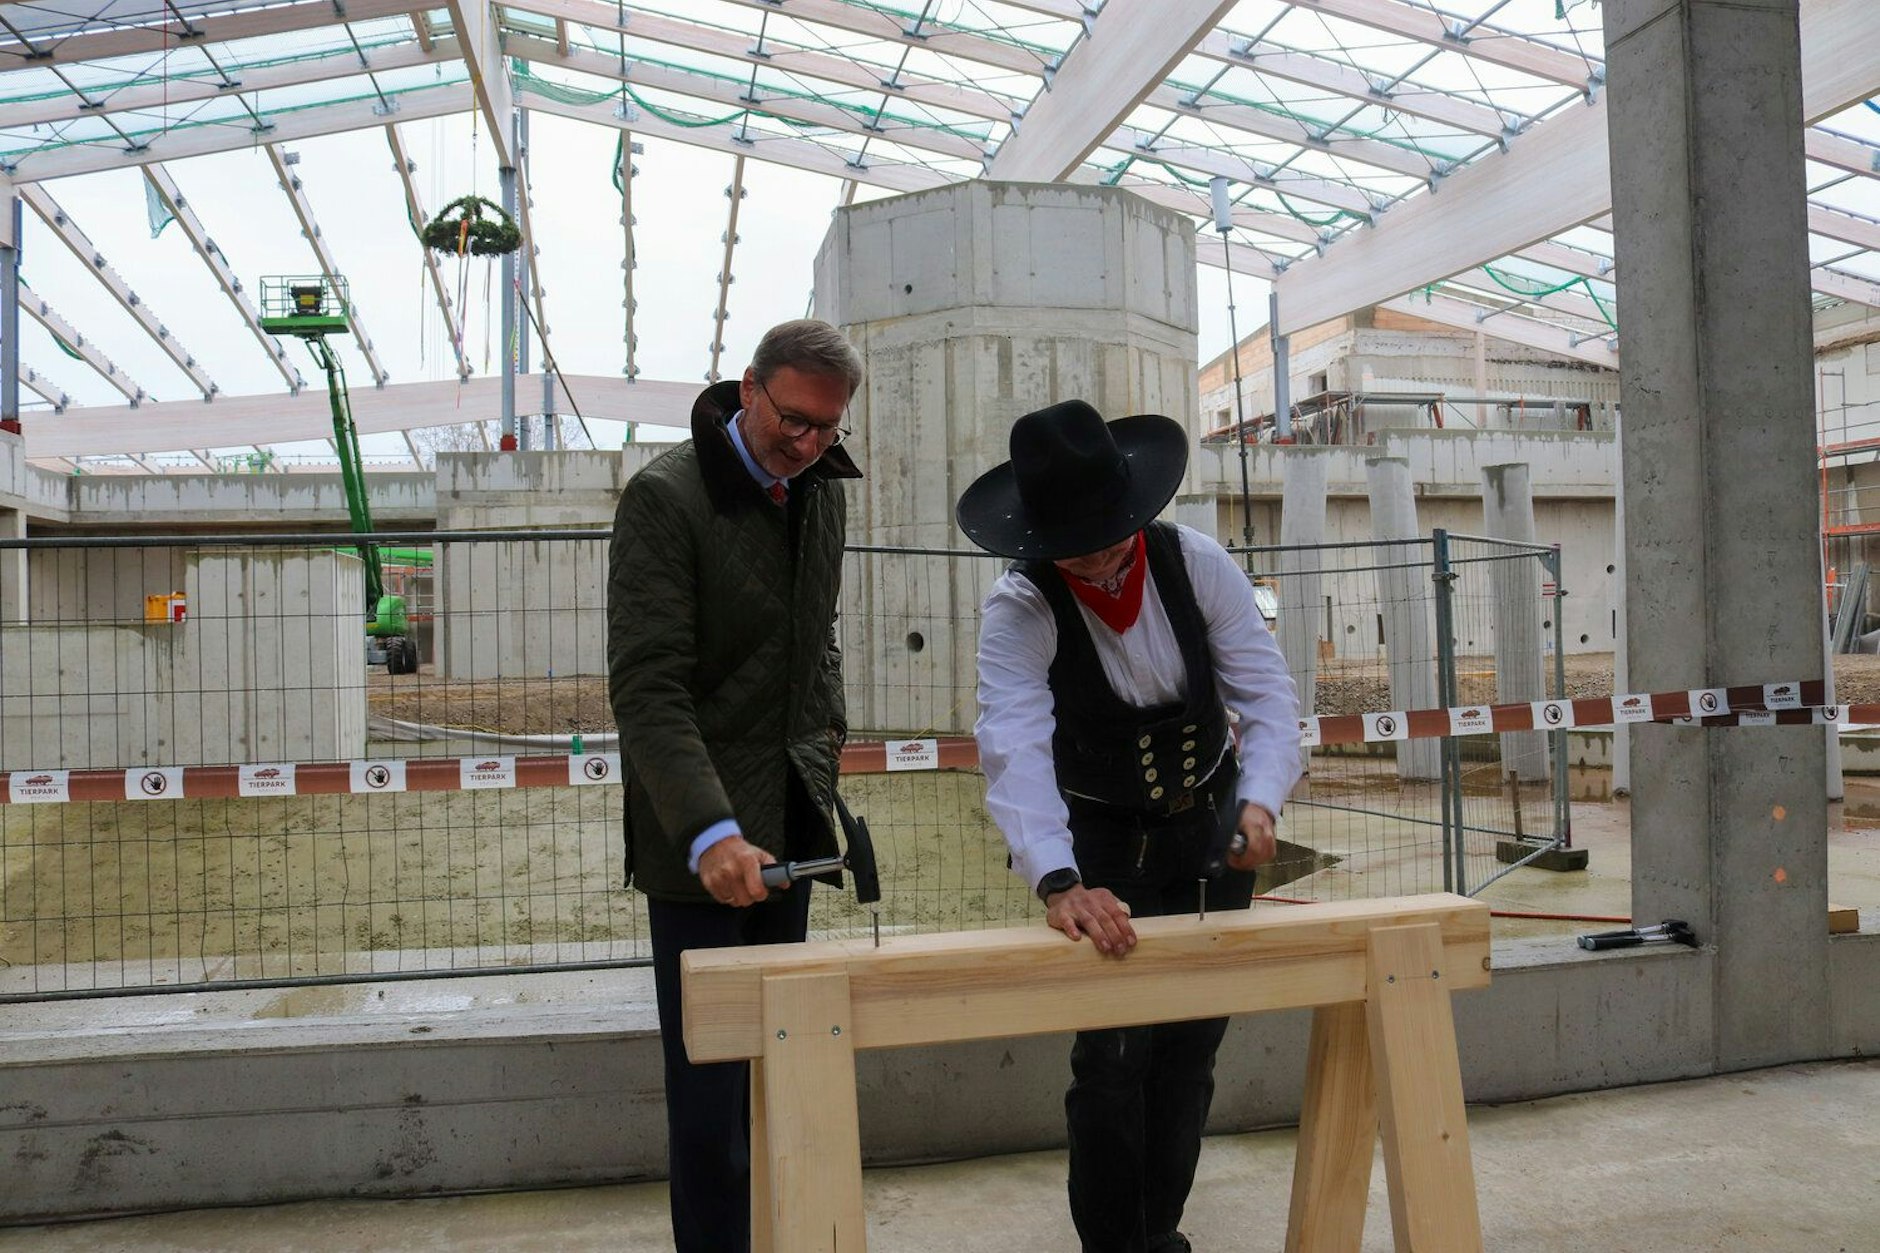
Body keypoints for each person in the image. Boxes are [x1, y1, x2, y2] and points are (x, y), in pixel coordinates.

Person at [956, 398, 1302, 1253]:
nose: (1101, 556)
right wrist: (1057, 877)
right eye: (1075, 542)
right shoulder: (1019, 610)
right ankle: (1113, 1246)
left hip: (1210, 840)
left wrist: (1260, 799)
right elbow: (1012, 744)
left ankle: (1161, 1233)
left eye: (1111, 531)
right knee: (1112, 1063)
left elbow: (1265, 694)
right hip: (1103, 850)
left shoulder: (1199, 564)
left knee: (1189, 1055)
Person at [607, 318, 863, 1253]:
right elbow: (648, 688)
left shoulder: (822, 488)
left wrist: (824, 741)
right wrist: (710, 830)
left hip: (790, 828)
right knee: (711, 1106)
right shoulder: (665, 500)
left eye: (828, 429)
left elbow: (816, 637)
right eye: (793, 420)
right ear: (748, 387)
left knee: (781, 1080)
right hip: (702, 849)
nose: (807, 445)